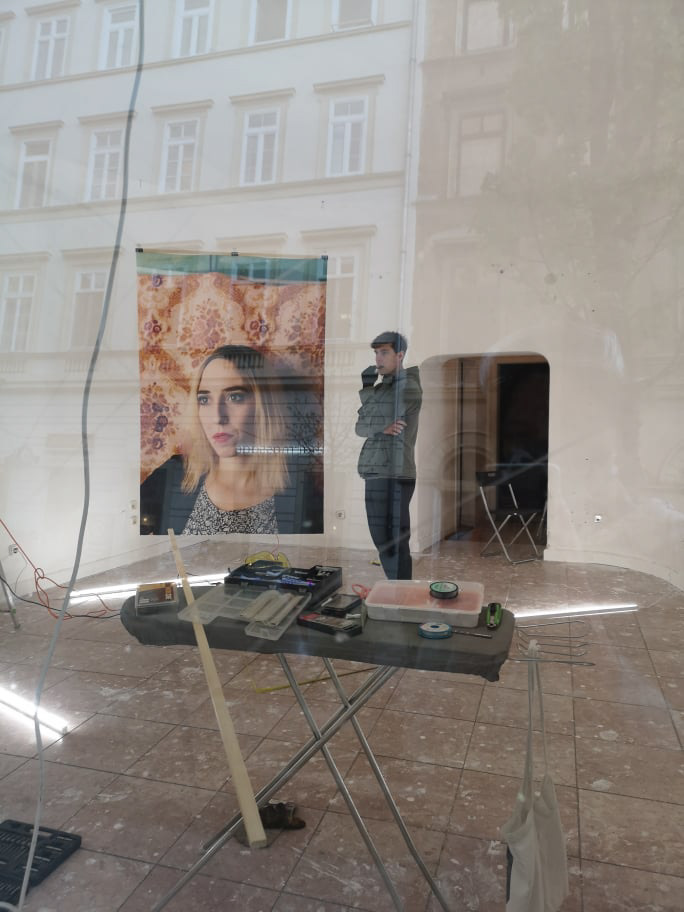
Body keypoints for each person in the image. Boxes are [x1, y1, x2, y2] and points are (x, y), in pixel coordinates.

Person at [140, 345, 323, 534]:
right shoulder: (170, 477)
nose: (217, 417)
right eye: (204, 400)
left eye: (235, 397)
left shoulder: (301, 491)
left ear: (264, 406)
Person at [355, 331, 422, 579]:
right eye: (376, 353)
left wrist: (366, 392)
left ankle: (402, 591)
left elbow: (371, 420)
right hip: (376, 471)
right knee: (383, 540)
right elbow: (360, 427)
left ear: (400, 355)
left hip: (395, 472)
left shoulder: (408, 387)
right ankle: (397, 588)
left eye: (384, 352)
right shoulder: (382, 388)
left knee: (395, 541)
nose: (378, 358)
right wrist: (369, 391)